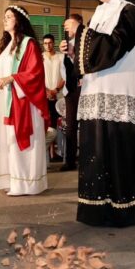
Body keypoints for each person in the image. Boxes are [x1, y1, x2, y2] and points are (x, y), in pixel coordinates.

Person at [62, 0, 135, 227]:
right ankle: (99, 209)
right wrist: (73, 49)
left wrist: (81, 32)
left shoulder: (130, 12)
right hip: (97, 95)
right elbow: (92, 55)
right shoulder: (99, 13)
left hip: (120, 93)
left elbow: (115, 47)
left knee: (119, 154)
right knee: (98, 152)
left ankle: (128, 210)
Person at [0, 5, 49, 196]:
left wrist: (12, 78)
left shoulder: (28, 44)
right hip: (6, 98)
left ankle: (27, 183)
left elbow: (35, 73)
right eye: (4, 17)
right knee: (9, 141)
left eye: (9, 17)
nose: (4, 20)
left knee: (20, 140)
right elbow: (3, 73)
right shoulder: (8, 46)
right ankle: (12, 179)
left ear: (19, 20)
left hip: (23, 101)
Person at [60, 13, 83, 172]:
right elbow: (63, 69)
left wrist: (73, 54)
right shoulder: (65, 44)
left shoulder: (85, 44)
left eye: (71, 24)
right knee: (70, 127)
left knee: (87, 126)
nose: (67, 28)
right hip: (71, 90)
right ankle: (69, 160)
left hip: (85, 88)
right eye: (65, 25)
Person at [41, 33, 65, 161]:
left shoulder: (61, 57)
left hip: (59, 95)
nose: (48, 45)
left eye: (50, 42)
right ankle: (49, 153)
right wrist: (46, 91)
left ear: (54, 43)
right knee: (47, 123)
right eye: (45, 43)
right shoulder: (40, 58)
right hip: (44, 95)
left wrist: (55, 90)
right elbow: (38, 77)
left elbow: (64, 76)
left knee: (58, 124)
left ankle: (58, 151)